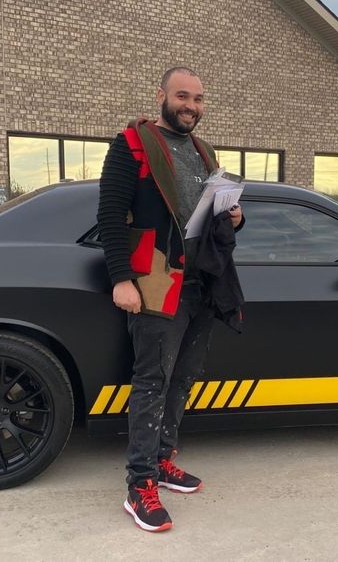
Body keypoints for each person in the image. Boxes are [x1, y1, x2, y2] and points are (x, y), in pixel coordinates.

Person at [96, 67, 244, 533]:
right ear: (161, 95)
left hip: (201, 282)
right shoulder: (131, 144)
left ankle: (162, 460)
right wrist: (121, 279)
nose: (191, 106)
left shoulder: (204, 151)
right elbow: (109, 215)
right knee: (152, 382)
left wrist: (234, 217)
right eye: (183, 96)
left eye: (198, 99)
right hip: (156, 281)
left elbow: (204, 213)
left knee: (183, 377)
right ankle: (139, 484)